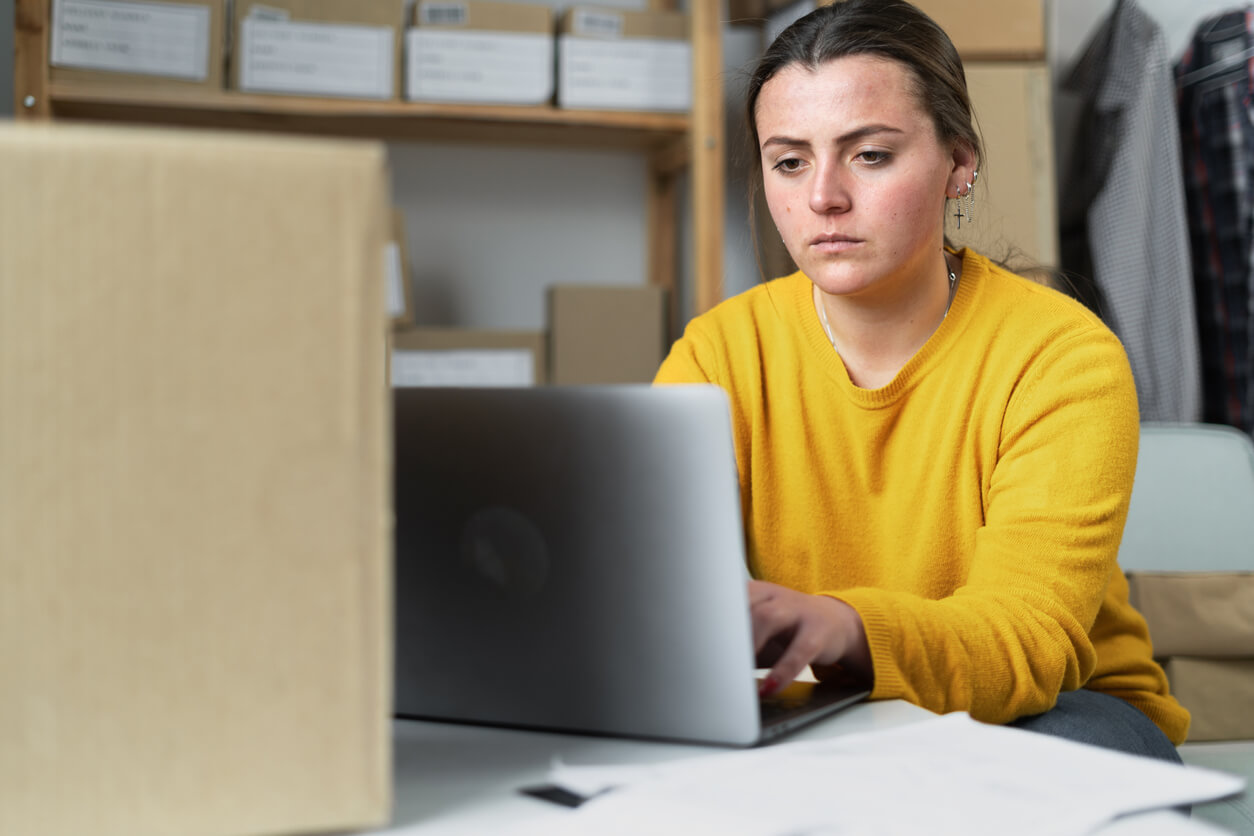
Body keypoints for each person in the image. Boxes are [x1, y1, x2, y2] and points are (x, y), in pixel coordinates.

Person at [654, 0, 1189, 761]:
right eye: (789, 160)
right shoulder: (719, 354)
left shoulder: (1063, 355)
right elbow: (647, 580)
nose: (822, 198)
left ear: (959, 165)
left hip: (1057, 710)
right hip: (833, 695)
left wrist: (844, 625)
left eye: (869, 154)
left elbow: (1026, 641)